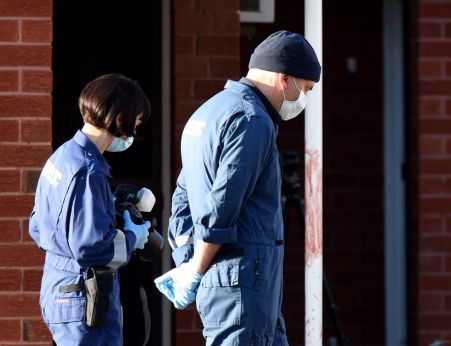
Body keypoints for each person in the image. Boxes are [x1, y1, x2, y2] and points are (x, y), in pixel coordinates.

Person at [155, 30, 321, 345]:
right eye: (306, 88)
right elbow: (224, 203)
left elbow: (182, 197)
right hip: (243, 282)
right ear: (284, 79)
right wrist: (196, 267)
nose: (305, 99)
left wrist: (188, 260)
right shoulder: (252, 120)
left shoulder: (208, 112)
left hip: (236, 284)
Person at [29, 74, 152, 345]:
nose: (135, 130)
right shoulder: (88, 171)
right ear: (122, 119)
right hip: (83, 296)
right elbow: (91, 248)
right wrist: (132, 238)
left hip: (58, 286)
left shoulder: (62, 156)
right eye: (137, 121)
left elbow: (37, 226)